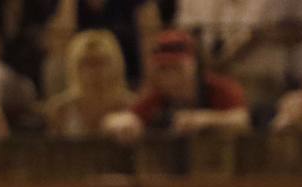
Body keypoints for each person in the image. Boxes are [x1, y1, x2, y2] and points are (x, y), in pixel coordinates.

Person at [105, 29, 249, 140]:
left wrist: (205, 120)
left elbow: (241, 120)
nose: (170, 75)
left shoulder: (219, 87)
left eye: (176, 67)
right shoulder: (158, 95)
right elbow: (116, 120)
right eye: (163, 68)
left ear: (194, 65)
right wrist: (125, 123)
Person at [44, 28, 134, 136]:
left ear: (115, 65)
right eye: (87, 63)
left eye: (100, 62)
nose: (94, 71)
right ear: (74, 67)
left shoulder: (131, 106)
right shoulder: (61, 110)